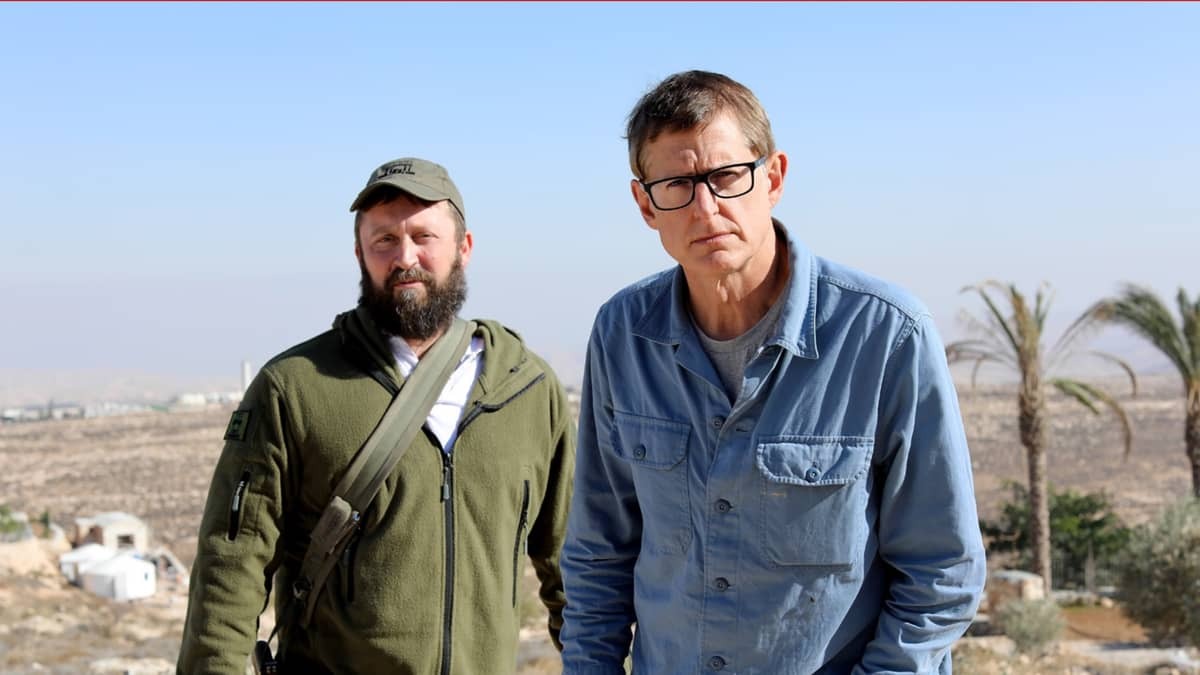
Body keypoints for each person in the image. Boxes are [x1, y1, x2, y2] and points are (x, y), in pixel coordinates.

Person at [560, 71, 986, 674]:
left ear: (774, 178)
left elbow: (942, 570)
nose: (706, 208)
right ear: (645, 204)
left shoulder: (886, 334)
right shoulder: (623, 334)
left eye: (727, 176)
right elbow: (598, 555)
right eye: (677, 184)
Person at [177, 157, 576, 674]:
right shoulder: (294, 388)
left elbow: (575, 565)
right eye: (384, 240)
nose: (405, 256)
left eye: (423, 236)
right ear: (360, 254)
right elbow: (229, 572)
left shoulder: (527, 388)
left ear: (464, 248)